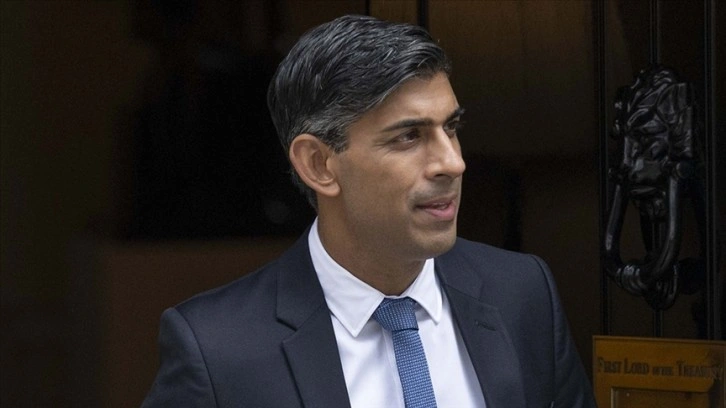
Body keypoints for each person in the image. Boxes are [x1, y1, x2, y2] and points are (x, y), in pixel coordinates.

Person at [141, 15, 596, 408]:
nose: (453, 162)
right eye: (409, 136)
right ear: (319, 165)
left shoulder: (522, 294)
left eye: (451, 127)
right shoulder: (217, 350)